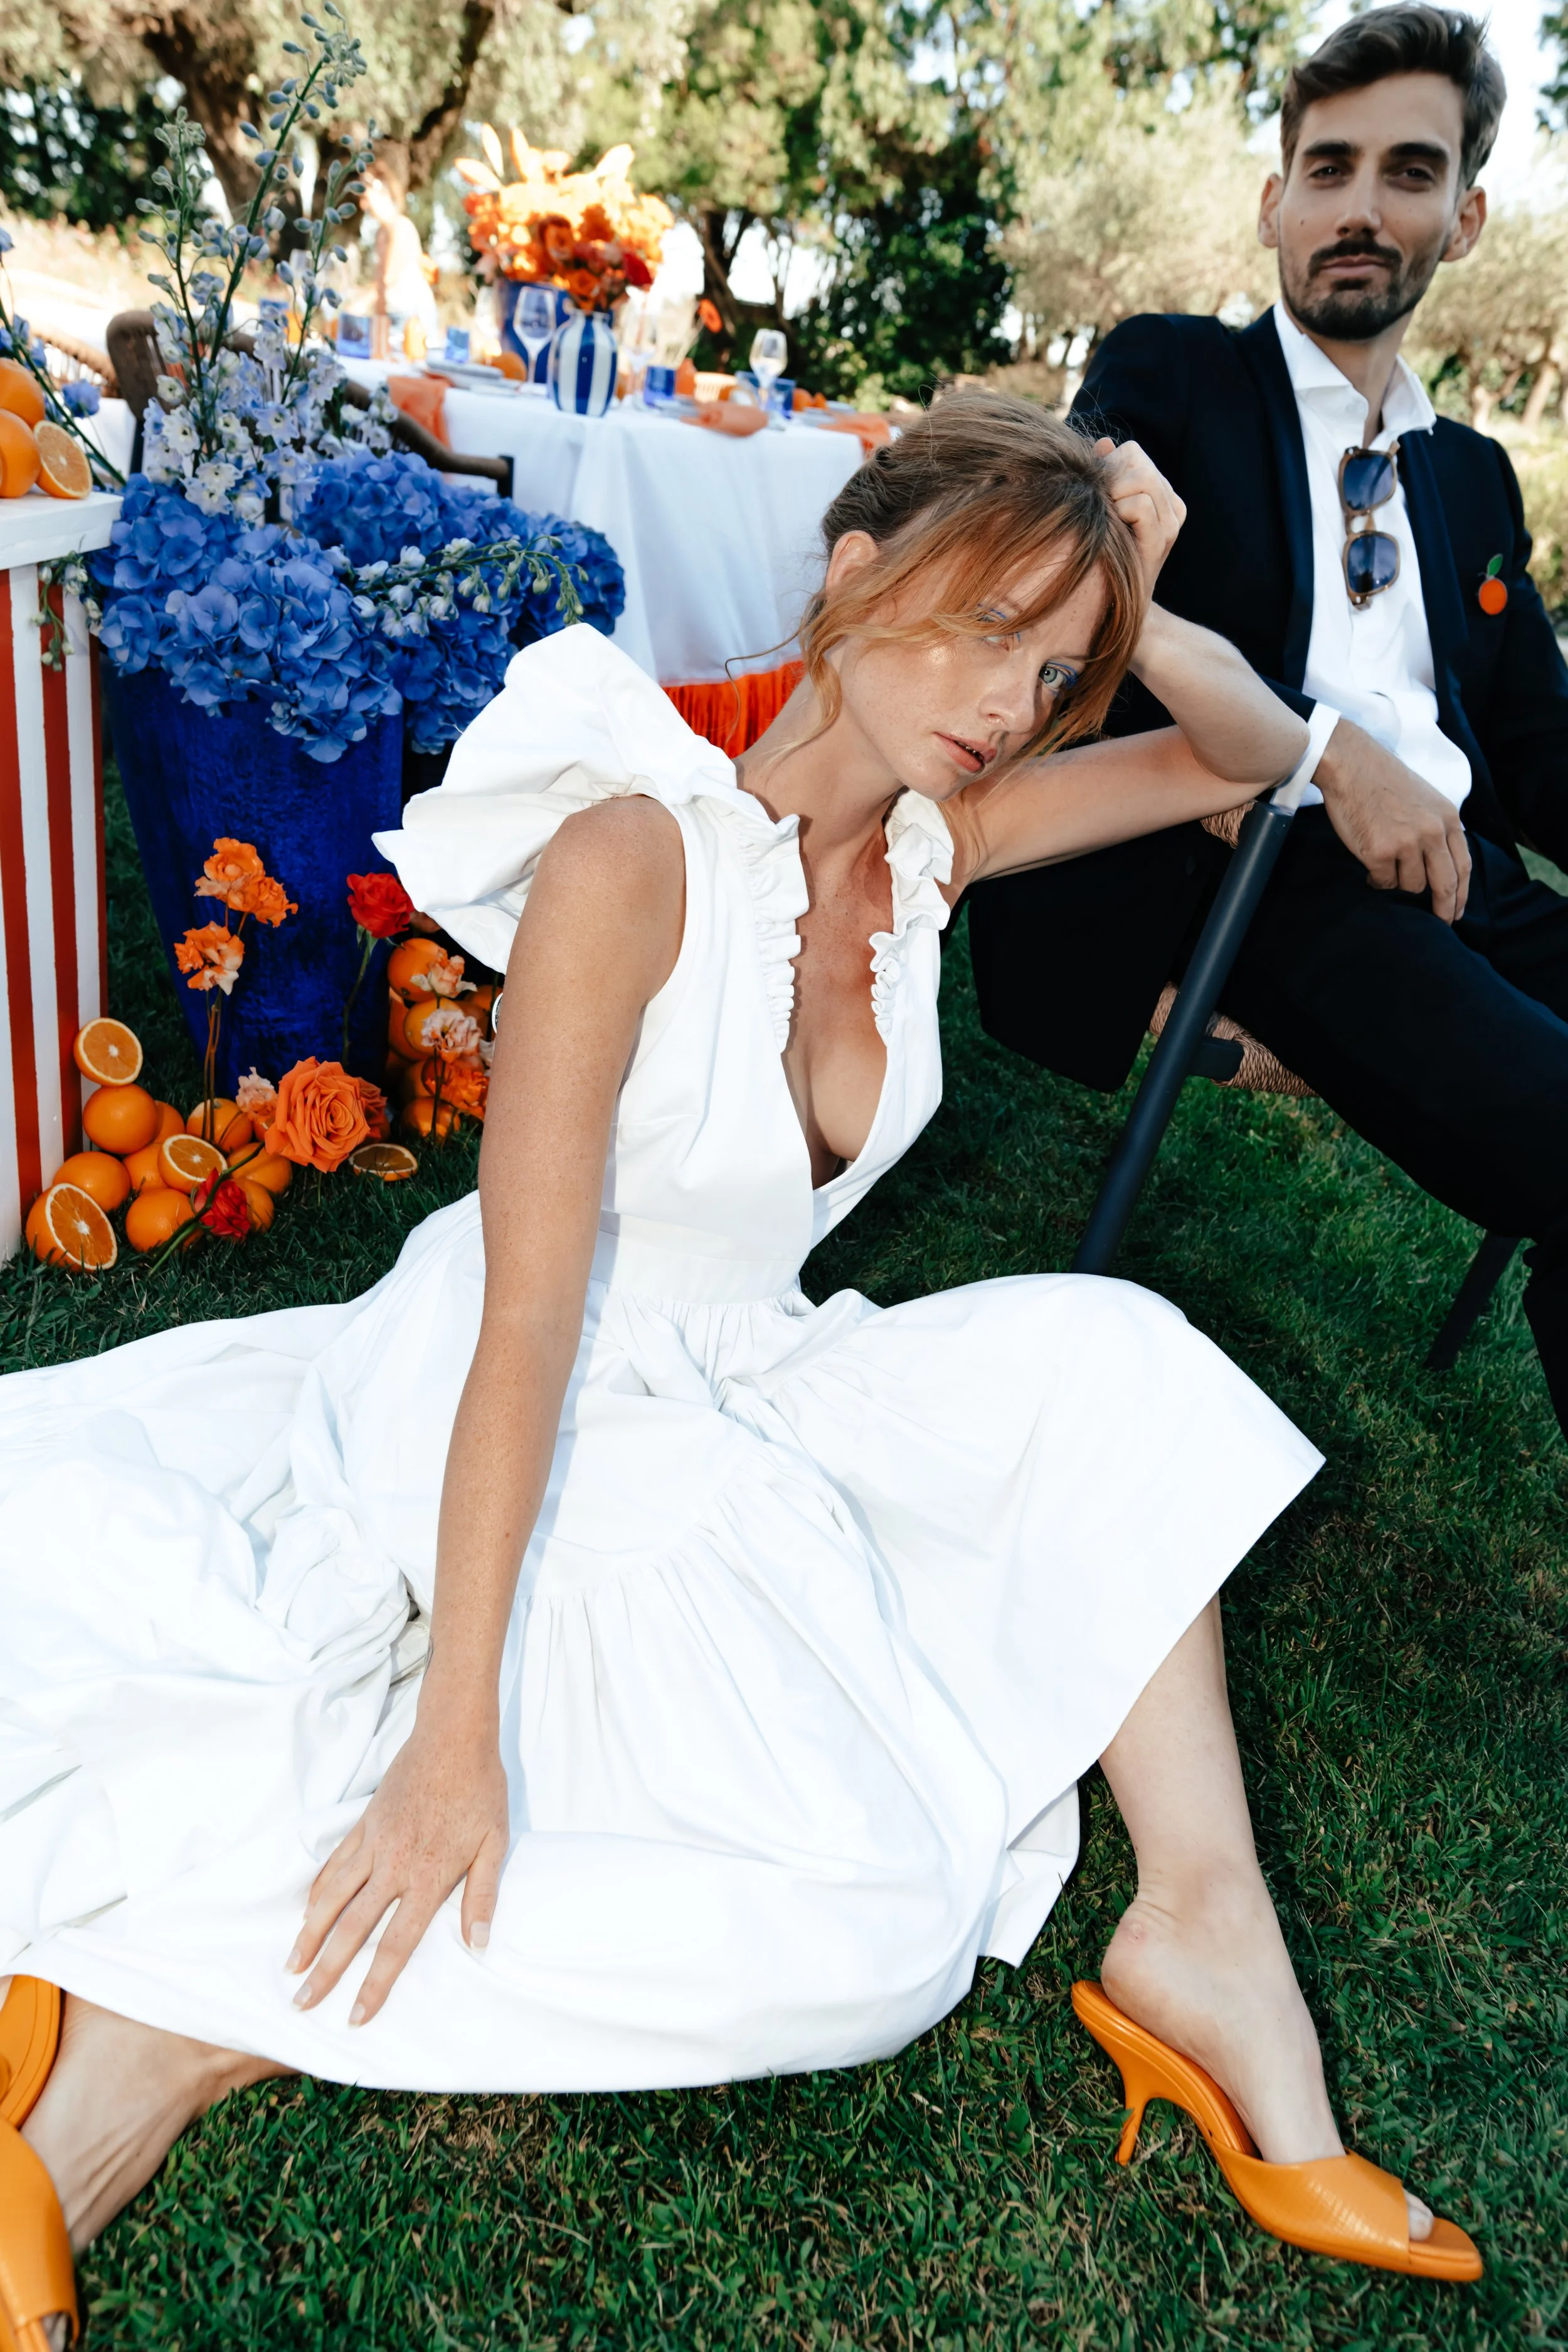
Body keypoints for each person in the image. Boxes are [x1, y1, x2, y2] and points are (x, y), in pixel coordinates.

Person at [0, 398, 1480, 2349]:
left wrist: (1133, 572)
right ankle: (146, 2035)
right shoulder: (635, 848)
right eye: (976, 629)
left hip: (745, 1369)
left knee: (1118, 1360)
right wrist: (454, 1742)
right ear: (851, 574)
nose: (1006, 701)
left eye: (1052, 670)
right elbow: (529, 1310)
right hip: (518, 1367)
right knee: (868, 1926)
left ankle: (1201, 1932)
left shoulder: (944, 847)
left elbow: (1257, 756)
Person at [969, 3, 1568, 1439]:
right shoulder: (1171, 373)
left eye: (1408, 173)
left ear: (1466, 215)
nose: (1362, 207)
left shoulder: (1473, 477)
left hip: (1474, 878)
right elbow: (1087, 585)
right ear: (1274, 200)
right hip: (1265, 862)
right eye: (1330, 166)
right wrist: (1325, 749)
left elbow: (1540, 749)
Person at [363, 157, 439, 356]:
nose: (363, 205)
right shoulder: (381, 233)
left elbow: (388, 279)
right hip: (393, 315)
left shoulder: (401, 227)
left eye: (366, 196)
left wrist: (353, 307)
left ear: (383, 192)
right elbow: (380, 288)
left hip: (412, 318)